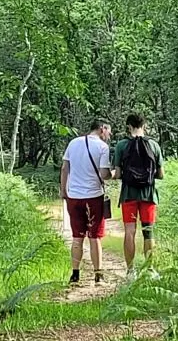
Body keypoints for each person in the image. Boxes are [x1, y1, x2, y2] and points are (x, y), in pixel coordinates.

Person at [111, 113, 164, 281]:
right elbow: (161, 174)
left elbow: (118, 173)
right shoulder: (154, 145)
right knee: (148, 232)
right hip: (148, 195)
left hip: (128, 194)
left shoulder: (121, 145)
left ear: (129, 127)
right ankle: (150, 269)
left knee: (130, 231)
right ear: (144, 125)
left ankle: (130, 271)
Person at [60, 118, 112, 285]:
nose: (109, 135)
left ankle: (75, 275)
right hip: (93, 196)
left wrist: (63, 190)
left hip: (74, 197)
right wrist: (114, 174)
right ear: (102, 129)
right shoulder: (103, 148)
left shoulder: (73, 143)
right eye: (108, 131)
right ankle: (98, 275)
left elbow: (65, 168)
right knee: (94, 236)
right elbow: (104, 174)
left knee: (77, 237)